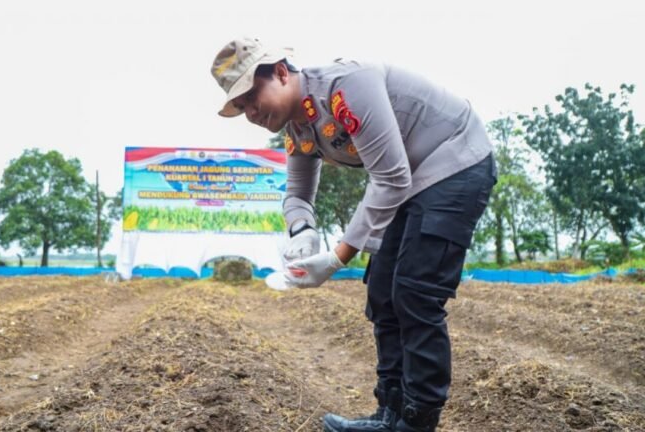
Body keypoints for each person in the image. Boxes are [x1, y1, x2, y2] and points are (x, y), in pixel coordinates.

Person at [210, 37, 496, 432]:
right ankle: (389, 413)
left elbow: (391, 177)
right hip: (410, 181)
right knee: (382, 291)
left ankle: (416, 422)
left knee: (415, 291)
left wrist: (337, 257)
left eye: (251, 97)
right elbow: (297, 195)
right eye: (242, 107)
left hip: (455, 160)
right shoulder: (298, 127)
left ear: (280, 72)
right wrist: (303, 232)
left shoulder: (346, 86)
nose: (251, 113)